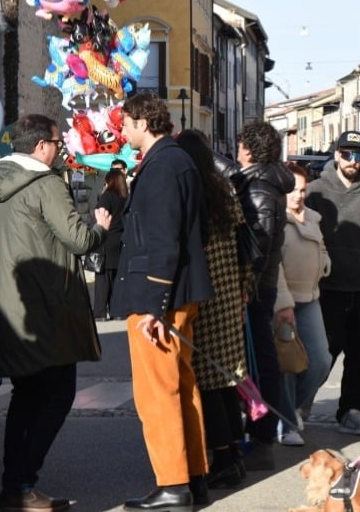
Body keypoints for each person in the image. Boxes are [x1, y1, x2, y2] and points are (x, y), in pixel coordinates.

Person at [0, 114, 110, 512]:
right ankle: (21, 483)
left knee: (25, 396)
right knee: (57, 394)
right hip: (46, 311)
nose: (59, 149)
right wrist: (100, 225)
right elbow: (79, 240)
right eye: (56, 142)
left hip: (4, 309)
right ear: (41, 147)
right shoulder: (46, 183)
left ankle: (14, 485)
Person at [113, 93, 212, 511]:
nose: (122, 132)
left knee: (158, 393)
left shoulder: (162, 167)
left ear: (141, 122)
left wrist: (154, 305)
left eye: (125, 124)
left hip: (159, 298)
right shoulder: (177, 161)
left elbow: (162, 241)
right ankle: (192, 475)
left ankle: (173, 484)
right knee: (182, 385)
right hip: (178, 292)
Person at [304, 130, 360, 436]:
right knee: (321, 354)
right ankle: (302, 404)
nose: (353, 161)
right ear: (336, 154)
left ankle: (352, 410)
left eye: (358, 155)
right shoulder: (315, 192)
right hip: (324, 290)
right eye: (347, 154)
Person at [176, 129, 250, 490]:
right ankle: (234, 454)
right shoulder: (224, 189)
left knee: (207, 380)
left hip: (203, 294)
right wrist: (243, 290)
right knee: (226, 379)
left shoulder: (193, 192)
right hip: (229, 291)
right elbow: (243, 243)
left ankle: (221, 457)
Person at [216, 120, 293, 456]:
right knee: (256, 357)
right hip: (259, 283)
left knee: (259, 360)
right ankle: (259, 428)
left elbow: (258, 245)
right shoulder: (261, 180)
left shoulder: (260, 189)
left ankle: (262, 433)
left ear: (247, 148)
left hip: (256, 286)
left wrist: (247, 284)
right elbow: (234, 172)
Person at [273, 163, 332, 447]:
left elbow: (320, 248)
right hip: (284, 301)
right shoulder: (276, 220)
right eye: (291, 190)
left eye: (302, 190)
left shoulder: (313, 218)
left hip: (311, 297)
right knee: (287, 364)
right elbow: (275, 267)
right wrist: (283, 304)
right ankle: (285, 423)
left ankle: (291, 408)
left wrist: (324, 264)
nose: (297, 196)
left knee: (321, 360)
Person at [92, 169, 127, 320]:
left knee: (102, 279)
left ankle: (100, 312)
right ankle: (117, 311)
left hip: (106, 240)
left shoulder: (107, 196)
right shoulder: (126, 197)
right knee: (116, 279)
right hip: (121, 240)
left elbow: (100, 215)